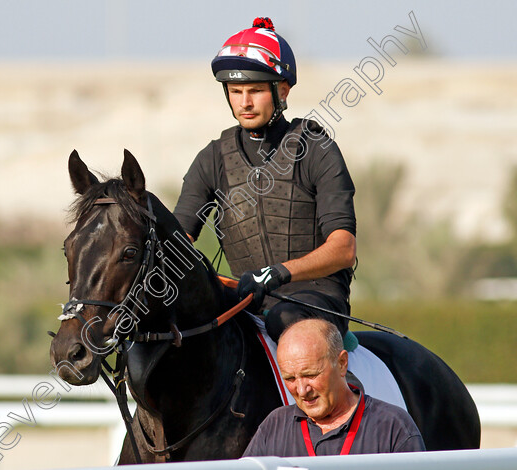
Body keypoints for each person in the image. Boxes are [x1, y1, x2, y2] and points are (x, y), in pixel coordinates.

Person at [172, 17, 357, 342]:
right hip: (247, 298)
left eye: (255, 90)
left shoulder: (317, 149)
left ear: (282, 90)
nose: (244, 102)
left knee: (285, 319)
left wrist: (279, 272)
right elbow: (177, 242)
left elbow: (343, 249)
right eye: (235, 91)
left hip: (317, 301)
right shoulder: (212, 158)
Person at [242, 319, 424, 456]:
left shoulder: (393, 427)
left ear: (342, 363)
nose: (302, 390)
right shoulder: (274, 427)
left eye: (311, 375)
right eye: (290, 378)